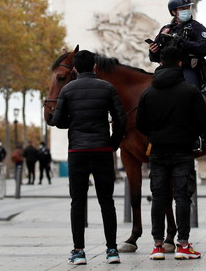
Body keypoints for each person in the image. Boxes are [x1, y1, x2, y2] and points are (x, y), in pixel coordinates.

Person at [48, 49, 126, 265]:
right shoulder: (107, 87)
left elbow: (58, 121)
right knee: (106, 201)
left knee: (78, 202)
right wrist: (114, 144)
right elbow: (120, 119)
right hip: (102, 150)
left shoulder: (68, 90)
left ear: (74, 69)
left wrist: (72, 121)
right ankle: (112, 250)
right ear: (94, 66)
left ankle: (79, 251)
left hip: (77, 152)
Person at [136, 45, 206, 260]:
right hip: (183, 150)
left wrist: (156, 135)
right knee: (182, 197)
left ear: (159, 63)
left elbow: (141, 124)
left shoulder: (148, 92)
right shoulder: (191, 91)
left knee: (158, 197)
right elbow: (202, 121)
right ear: (180, 63)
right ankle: (183, 245)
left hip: (157, 151)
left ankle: (158, 245)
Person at [148, 0, 206, 89]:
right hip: (166, 69)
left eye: (187, 8)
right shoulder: (166, 30)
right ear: (174, 12)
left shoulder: (196, 27)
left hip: (188, 70)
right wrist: (153, 51)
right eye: (182, 9)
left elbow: (205, 48)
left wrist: (183, 43)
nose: (186, 11)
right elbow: (155, 58)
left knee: (190, 92)